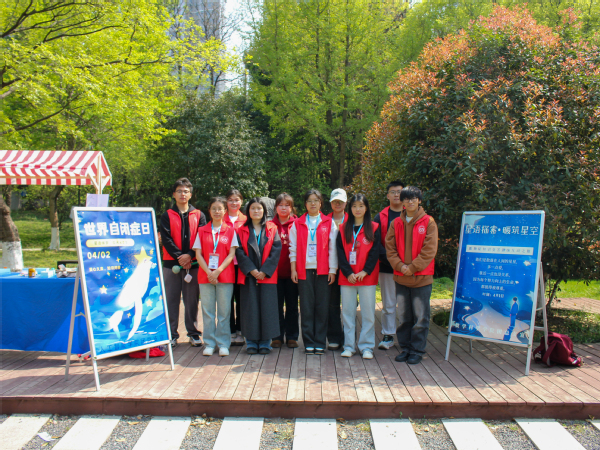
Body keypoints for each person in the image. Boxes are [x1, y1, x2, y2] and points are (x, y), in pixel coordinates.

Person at [386, 186, 438, 365]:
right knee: (404, 317)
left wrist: (413, 267)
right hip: (401, 277)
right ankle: (406, 349)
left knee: (421, 317)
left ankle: (417, 350)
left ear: (419, 201)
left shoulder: (428, 222)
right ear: (402, 202)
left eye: (413, 198)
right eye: (406, 199)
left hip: (421, 278)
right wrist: (400, 266)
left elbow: (429, 250)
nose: (410, 202)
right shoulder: (396, 223)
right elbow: (390, 248)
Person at [289, 189, 338, 355]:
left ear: (320, 203)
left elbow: (333, 248)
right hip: (304, 270)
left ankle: (320, 342)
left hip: (323, 271)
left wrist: (332, 269)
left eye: (316, 200)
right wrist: (293, 269)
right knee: (306, 307)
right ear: (305, 204)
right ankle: (309, 342)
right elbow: (292, 248)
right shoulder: (297, 223)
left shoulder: (329, 222)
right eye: (309, 200)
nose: (312, 203)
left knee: (322, 307)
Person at [160, 178, 207, 348]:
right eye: (179, 191)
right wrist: (181, 257)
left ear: (191, 194)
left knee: (191, 300)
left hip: (193, 265)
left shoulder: (199, 215)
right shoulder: (167, 215)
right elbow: (166, 239)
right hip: (171, 264)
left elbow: (201, 237)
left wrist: (189, 256)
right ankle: (171, 335)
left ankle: (193, 333)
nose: (182, 194)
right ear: (174, 194)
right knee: (171, 300)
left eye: (186, 191)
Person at [235, 198, 282, 354]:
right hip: (249, 275)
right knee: (250, 309)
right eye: (253, 208)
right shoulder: (241, 230)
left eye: (259, 208)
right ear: (248, 211)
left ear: (264, 211)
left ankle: (265, 343)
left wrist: (264, 270)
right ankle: (251, 342)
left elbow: (276, 250)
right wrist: (251, 270)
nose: (256, 211)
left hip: (267, 276)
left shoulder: (272, 228)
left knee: (267, 309)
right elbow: (239, 251)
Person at [193, 197, 238, 357]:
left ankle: (223, 343)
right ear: (209, 211)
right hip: (205, 276)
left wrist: (217, 271)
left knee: (224, 312)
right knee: (208, 312)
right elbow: (198, 254)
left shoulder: (230, 230)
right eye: (214, 209)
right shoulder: (202, 230)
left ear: (225, 211)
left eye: (220, 208)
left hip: (225, 275)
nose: (217, 211)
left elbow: (231, 254)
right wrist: (209, 272)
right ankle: (210, 343)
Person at [337, 194, 380, 359]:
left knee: (368, 313)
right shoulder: (343, 228)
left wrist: (365, 271)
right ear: (350, 208)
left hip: (366, 277)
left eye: (361, 206)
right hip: (347, 277)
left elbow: (375, 252)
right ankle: (349, 346)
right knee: (347, 313)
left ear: (366, 208)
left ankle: (367, 347)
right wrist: (348, 272)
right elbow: (340, 252)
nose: (357, 209)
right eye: (354, 206)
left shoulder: (374, 227)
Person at [373, 180, 405, 350]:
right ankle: (388, 334)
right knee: (389, 304)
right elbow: (376, 243)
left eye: (399, 191)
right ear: (387, 195)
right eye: (393, 192)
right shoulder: (380, 217)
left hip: (408, 268)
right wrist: (394, 262)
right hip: (387, 267)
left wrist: (405, 264)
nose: (396, 194)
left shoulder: (412, 214)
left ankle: (407, 336)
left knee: (407, 304)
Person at [270, 193, 300, 348]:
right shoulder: (270, 225)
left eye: (287, 205)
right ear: (276, 207)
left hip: (293, 273)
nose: (283, 208)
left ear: (291, 207)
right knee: (276, 306)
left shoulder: (298, 224)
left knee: (292, 306)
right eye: (280, 205)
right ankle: (276, 336)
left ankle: (292, 336)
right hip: (274, 274)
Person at [224, 189, 247, 346]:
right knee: (227, 299)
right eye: (231, 199)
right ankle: (230, 331)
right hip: (225, 265)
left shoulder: (246, 219)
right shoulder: (220, 218)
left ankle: (240, 330)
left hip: (241, 266)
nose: (234, 202)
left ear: (241, 201)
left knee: (241, 299)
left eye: (236, 199)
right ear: (226, 202)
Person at [326, 188, 348, 350]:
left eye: (341, 201)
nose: (338, 204)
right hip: (330, 268)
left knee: (349, 304)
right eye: (335, 201)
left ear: (346, 203)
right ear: (331, 203)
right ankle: (334, 337)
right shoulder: (324, 220)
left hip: (349, 268)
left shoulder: (353, 219)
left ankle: (348, 338)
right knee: (332, 304)